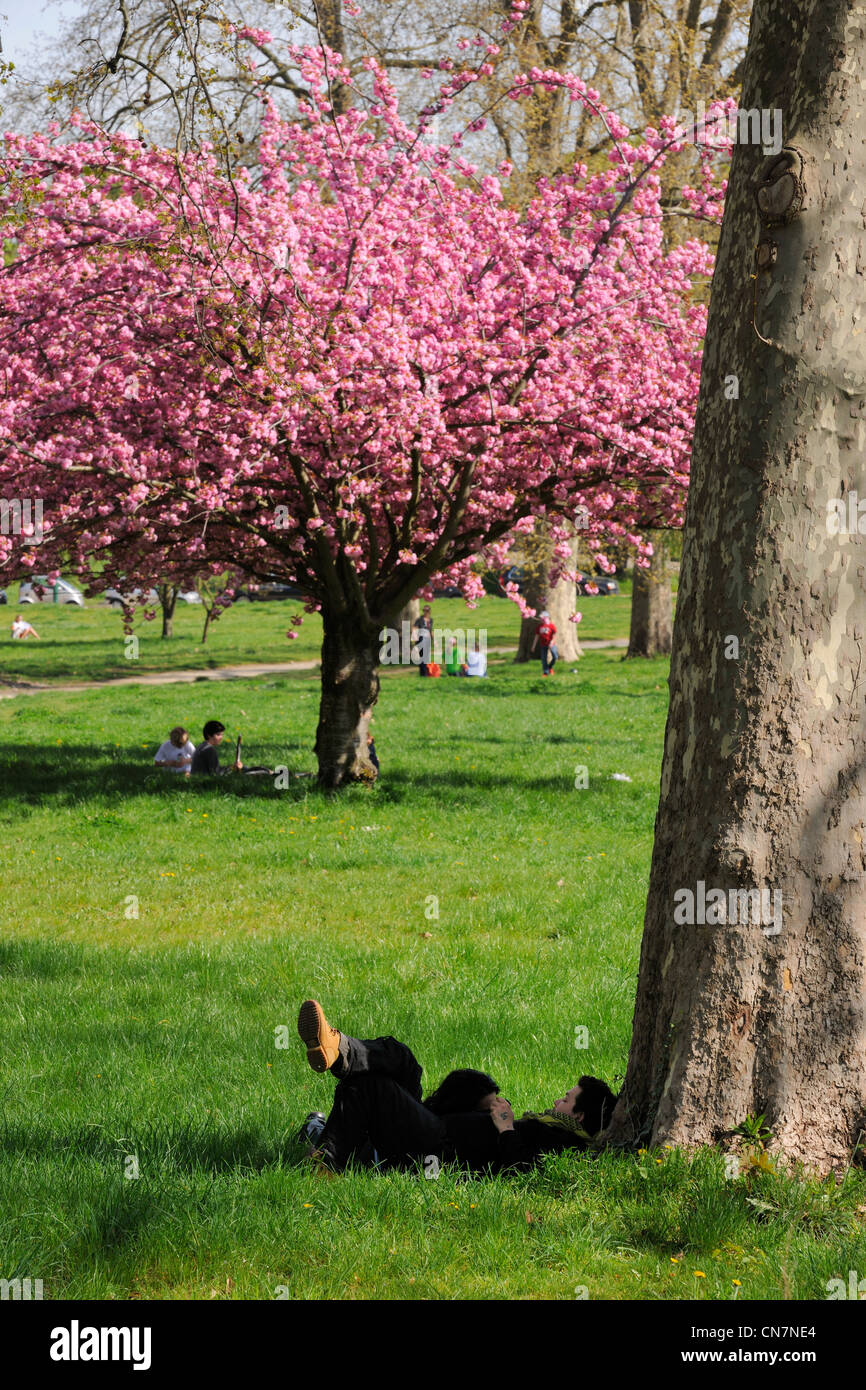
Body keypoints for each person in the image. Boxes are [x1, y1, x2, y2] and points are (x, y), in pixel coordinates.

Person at [295, 1000, 617, 1175]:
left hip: (439, 1147)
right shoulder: (551, 1128)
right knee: (404, 1060)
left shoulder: (566, 1144)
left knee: (369, 1087)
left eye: (567, 1099)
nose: (558, 1100)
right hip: (437, 1129)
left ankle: (327, 1160)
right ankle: (337, 1050)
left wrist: (506, 1128)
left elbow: (521, 1171)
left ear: (579, 1116)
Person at [531, 610, 558, 676]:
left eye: (542, 618)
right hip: (543, 645)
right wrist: (533, 646)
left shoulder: (551, 626)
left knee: (555, 657)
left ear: (547, 618)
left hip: (551, 645)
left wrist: (552, 642)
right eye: (541, 618)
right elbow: (536, 637)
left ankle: (550, 667)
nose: (541, 619)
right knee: (543, 659)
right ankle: (546, 672)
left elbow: (555, 634)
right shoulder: (539, 627)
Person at [412, 604, 434, 676]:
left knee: (426, 656)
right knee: (422, 656)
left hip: (427, 639)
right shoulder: (419, 619)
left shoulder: (431, 620)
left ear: (429, 611)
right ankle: (423, 673)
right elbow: (414, 628)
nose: (425, 612)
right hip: (421, 639)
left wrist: (434, 640)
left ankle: (425, 672)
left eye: (427, 610)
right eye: (424, 610)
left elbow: (430, 630)